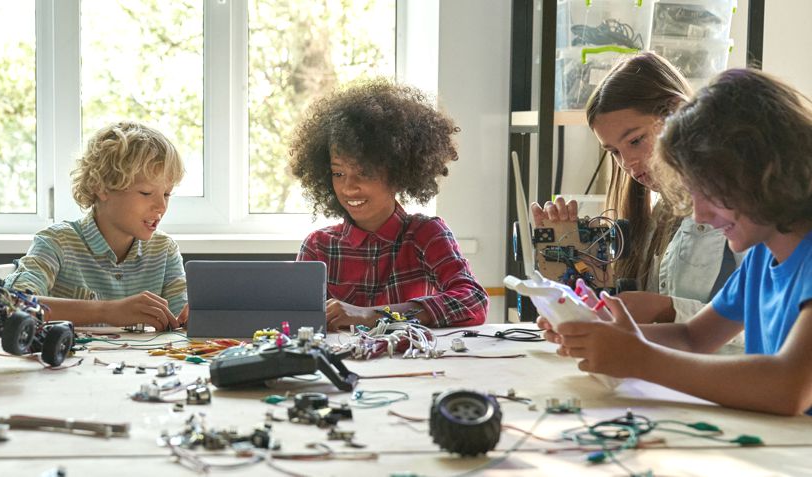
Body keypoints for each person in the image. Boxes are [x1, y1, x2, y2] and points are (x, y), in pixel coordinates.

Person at [541, 69, 812, 416]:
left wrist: (639, 358)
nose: (698, 215)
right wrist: (596, 334)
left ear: (765, 171)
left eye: (711, 191)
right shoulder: (762, 256)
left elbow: (788, 388)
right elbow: (692, 337)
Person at [533, 52, 742, 332]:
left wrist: (667, 310)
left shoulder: (744, 204)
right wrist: (581, 278)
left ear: (677, 113)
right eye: (614, 152)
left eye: (635, 140)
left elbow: (768, 323)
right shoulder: (657, 214)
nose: (628, 163)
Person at [290, 78, 488, 330]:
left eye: (364, 172)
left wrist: (372, 315)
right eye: (338, 173)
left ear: (397, 173)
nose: (349, 186)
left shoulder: (426, 235)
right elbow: (296, 321)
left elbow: (473, 301)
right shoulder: (319, 247)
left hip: (414, 366)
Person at [6, 121, 187, 331]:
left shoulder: (164, 250)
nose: (161, 206)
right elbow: (12, 304)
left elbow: (179, 324)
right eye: (146, 193)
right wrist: (106, 311)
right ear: (101, 187)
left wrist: (193, 318)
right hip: (69, 364)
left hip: (143, 364)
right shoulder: (57, 243)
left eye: (166, 194)